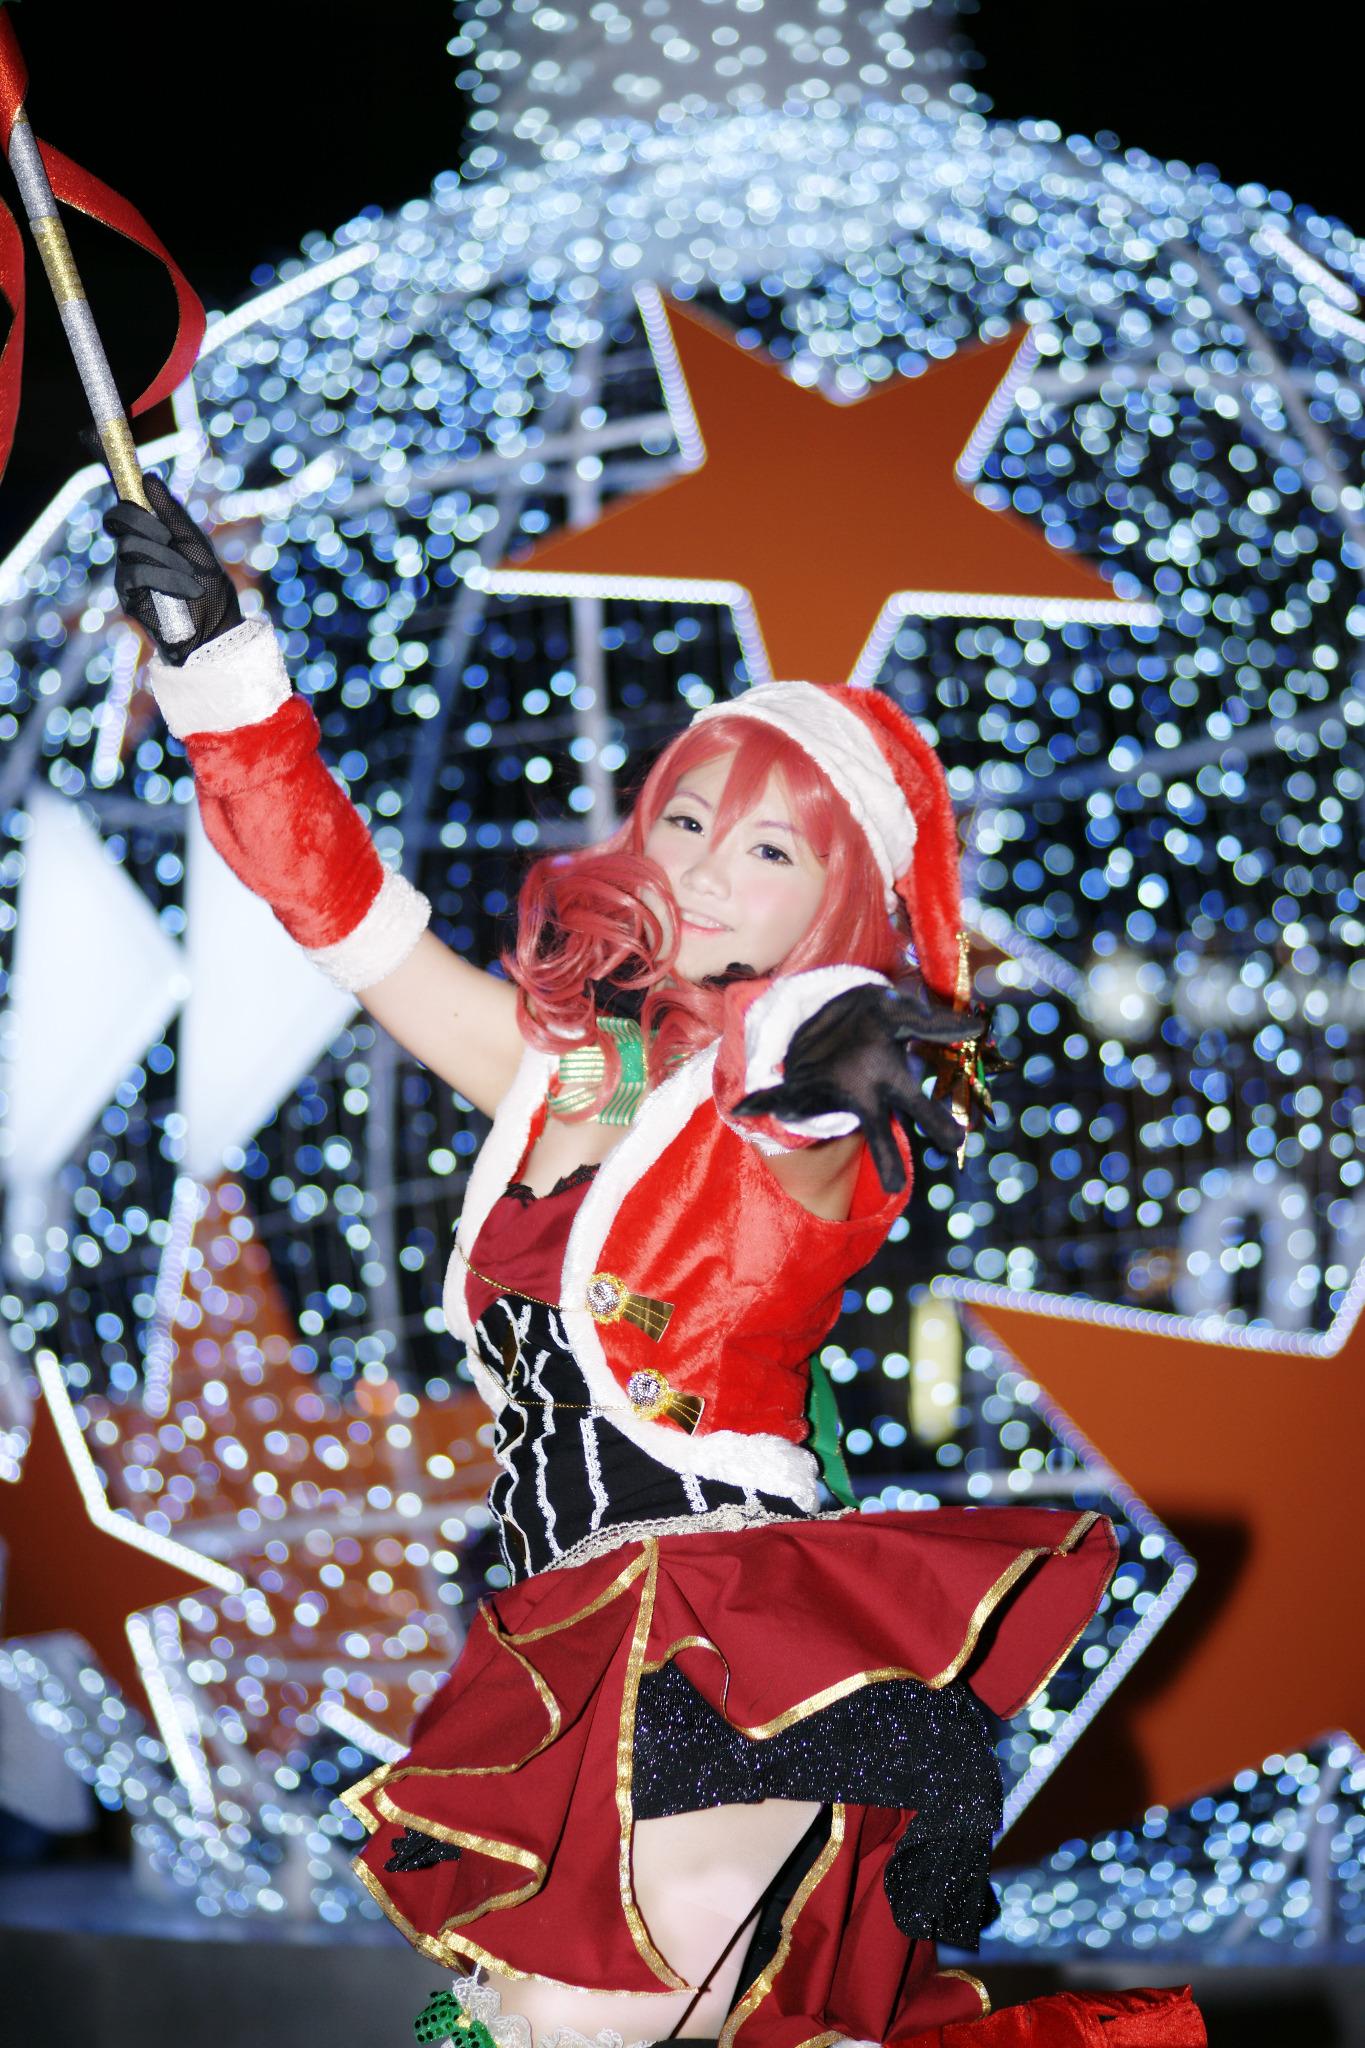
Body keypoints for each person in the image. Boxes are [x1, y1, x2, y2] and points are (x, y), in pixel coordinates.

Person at [105, 481, 1205, 2048]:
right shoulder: (558, 1071)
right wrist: (222, 675)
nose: (702, 868)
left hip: (721, 1626)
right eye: (686, 818)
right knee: (591, 2022)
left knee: (586, 2020)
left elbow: (799, 1116)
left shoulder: (814, 1114)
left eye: (767, 847)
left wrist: (835, 1043)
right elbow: (339, 912)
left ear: (835, 899)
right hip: (557, 1630)